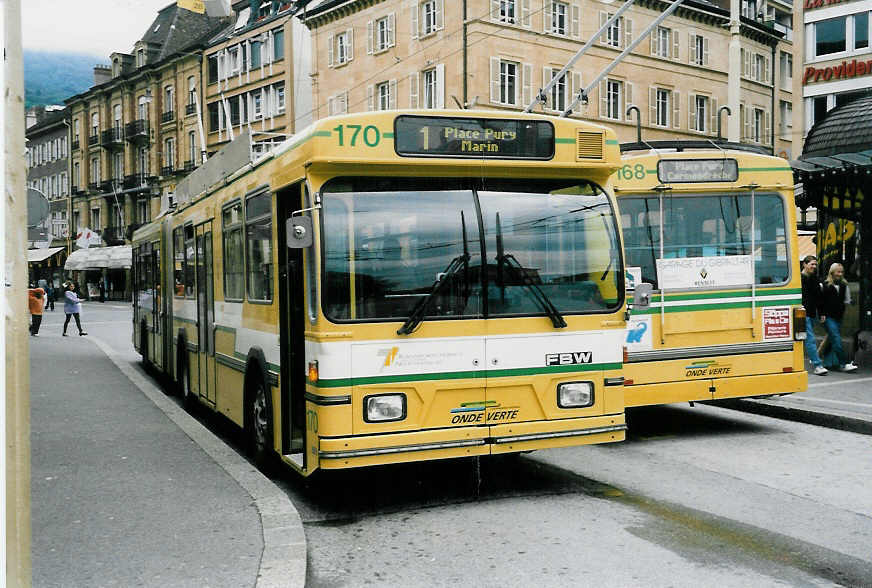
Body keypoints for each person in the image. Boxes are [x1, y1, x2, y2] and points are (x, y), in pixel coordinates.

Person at [819, 262, 858, 372]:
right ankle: (844, 363)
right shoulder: (824, 285)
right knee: (836, 338)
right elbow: (820, 302)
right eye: (838, 272)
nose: (840, 274)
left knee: (832, 339)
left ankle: (826, 361)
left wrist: (851, 302)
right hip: (827, 317)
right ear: (832, 272)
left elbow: (847, 300)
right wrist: (821, 314)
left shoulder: (844, 285)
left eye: (842, 272)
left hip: (838, 317)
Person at [800, 256, 828, 375]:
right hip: (802, 313)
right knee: (810, 339)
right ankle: (817, 364)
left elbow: (819, 298)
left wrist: (821, 313)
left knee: (806, 339)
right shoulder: (798, 279)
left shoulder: (815, 279)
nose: (814, 267)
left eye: (815, 265)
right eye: (812, 264)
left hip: (811, 313)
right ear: (804, 265)